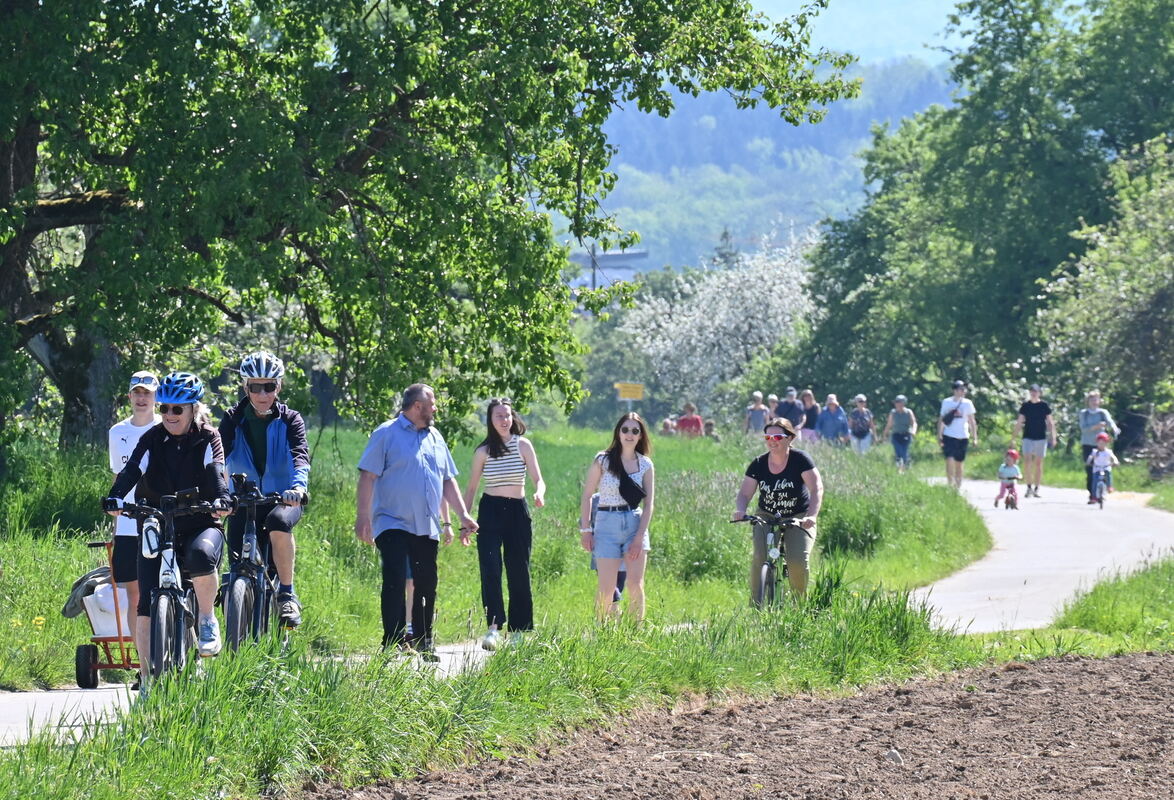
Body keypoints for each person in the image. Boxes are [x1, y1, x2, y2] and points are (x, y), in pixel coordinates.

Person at [105, 371, 231, 658]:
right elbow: (132, 470)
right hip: (157, 521)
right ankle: (148, 682)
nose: (170, 415)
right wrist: (116, 495)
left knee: (200, 556)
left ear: (193, 409)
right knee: (145, 604)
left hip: (201, 520)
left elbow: (215, 470)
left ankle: (207, 619)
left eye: (177, 409)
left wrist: (222, 497)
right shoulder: (152, 437)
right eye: (164, 408)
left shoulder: (208, 437)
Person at [355, 384, 479, 657]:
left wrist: (463, 515)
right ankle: (393, 641)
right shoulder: (386, 433)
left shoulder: (436, 437)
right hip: (392, 520)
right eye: (431, 403)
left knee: (426, 583)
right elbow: (367, 476)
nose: (435, 408)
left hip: (426, 524)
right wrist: (363, 517)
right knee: (395, 578)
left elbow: (448, 480)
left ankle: (425, 640)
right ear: (417, 406)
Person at [218, 352, 311, 628]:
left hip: (282, 498)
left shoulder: (291, 419)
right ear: (245, 387)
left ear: (278, 387)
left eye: (269, 386)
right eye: (255, 387)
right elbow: (216, 458)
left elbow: (300, 457)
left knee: (278, 522)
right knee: (235, 567)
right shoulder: (233, 419)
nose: (262, 394)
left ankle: (286, 593)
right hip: (243, 498)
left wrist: (297, 487)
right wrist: (217, 490)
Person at [462, 398, 546, 651]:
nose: (504, 420)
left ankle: (519, 630)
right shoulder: (483, 452)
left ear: (513, 417)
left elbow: (538, 479)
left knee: (518, 569)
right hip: (490, 510)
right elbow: (472, 488)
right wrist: (465, 520)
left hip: (517, 512)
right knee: (490, 568)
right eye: (499, 416)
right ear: (490, 419)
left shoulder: (523, 445)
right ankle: (493, 628)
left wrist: (539, 493)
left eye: (507, 415)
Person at [732, 418, 822, 605]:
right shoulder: (758, 464)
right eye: (768, 436)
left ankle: (800, 605)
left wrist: (811, 516)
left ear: (789, 438)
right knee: (760, 556)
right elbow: (744, 493)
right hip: (767, 515)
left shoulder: (800, 460)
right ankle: (757, 606)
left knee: (797, 560)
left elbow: (816, 488)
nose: (772, 440)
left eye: (778, 436)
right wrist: (740, 510)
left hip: (798, 516)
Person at [578, 413, 655, 623]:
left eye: (635, 431)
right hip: (606, 522)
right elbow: (586, 496)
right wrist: (586, 530)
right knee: (606, 588)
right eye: (625, 430)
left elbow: (649, 505)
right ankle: (602, 633)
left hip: (634, 523)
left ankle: (635, 631)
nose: (629, 434)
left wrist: (639, 537)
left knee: (635, 584)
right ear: (618, 432)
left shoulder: (646, 464)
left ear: (641, 436)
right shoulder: (603, 460)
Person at [107, 370, 160, 668]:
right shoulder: (117, 432)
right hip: (129, 522)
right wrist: (117, 526)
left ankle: (172, 652)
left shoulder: (166, 426)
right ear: (129, 396)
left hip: (159, 518)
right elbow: (119, 476)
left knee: (162, 587)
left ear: (156, 397)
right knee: (135, 593)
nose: (142, 399)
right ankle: (143, 664)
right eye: (137, 393)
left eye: (148, 394)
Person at [1012, 384, 1057, 498]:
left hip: (1041, 437)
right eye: (1032, 391)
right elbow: (1019, 422)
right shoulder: (1025, 406)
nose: (1033, 393)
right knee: (1027, 462)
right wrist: (1013, 438)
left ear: (1039, 393)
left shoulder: (1044, 405)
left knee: (1038, 463)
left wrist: (1053, 437)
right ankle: (1028, 487)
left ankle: (1037, 488)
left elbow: (1050, 422)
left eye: (1036, 392)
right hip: (1028, 436)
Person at [1079, 391, 1121, 504]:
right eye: (1091, 399)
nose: (1094, 402)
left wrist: (1114, 429)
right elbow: (1083, 429)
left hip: (1101, 444)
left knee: (1105, 467)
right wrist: (1096, 427)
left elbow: (1110, 421)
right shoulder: (1084, 413)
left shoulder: (1103, 412)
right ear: (1088, 401)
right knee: (1090, 470)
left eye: (1096, 399)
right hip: (1088, 444)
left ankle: (1105, 488)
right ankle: (1092, 495)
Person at [937, 380, 978, 489]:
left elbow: (972, 421)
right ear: (955, 390)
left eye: (964, 389)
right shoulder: (946, 402)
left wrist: (975, 437)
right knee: (949, 459)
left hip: (963, 435)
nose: (963, 391)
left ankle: (958, 485)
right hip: (949, 434)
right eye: (960, 389)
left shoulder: (967, 403)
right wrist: (939, 435)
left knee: (959, 462)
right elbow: (942, 419)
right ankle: (950, 483)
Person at [882, 394, 918, 472]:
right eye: (896, 402)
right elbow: (889, 424)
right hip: (896, 435)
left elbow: (914, 423)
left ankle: (905, 467)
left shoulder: (908, 412)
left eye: (899, 402)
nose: (897, 404)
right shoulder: (893, 412)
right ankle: (899, 469)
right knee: (898, 452)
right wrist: (885, 434)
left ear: (904, 403)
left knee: (904, 452)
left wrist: (913, 431)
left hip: (906, 435)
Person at [1086, 432, 1119, 496]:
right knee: (1094, 482)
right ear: (1097, 443)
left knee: (1108, 475)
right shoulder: (1094, 452)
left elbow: (1113, 457)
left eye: (1103, 443)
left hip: (1106, 467)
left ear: (1106, 443)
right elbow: (1090, 457)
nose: (1101, 445)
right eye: (1099, 443)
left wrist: (1116, 462)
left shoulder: (1108, 451)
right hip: (1097, 468)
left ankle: (1109, 486)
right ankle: (1094, 497)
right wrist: (1088, 462)